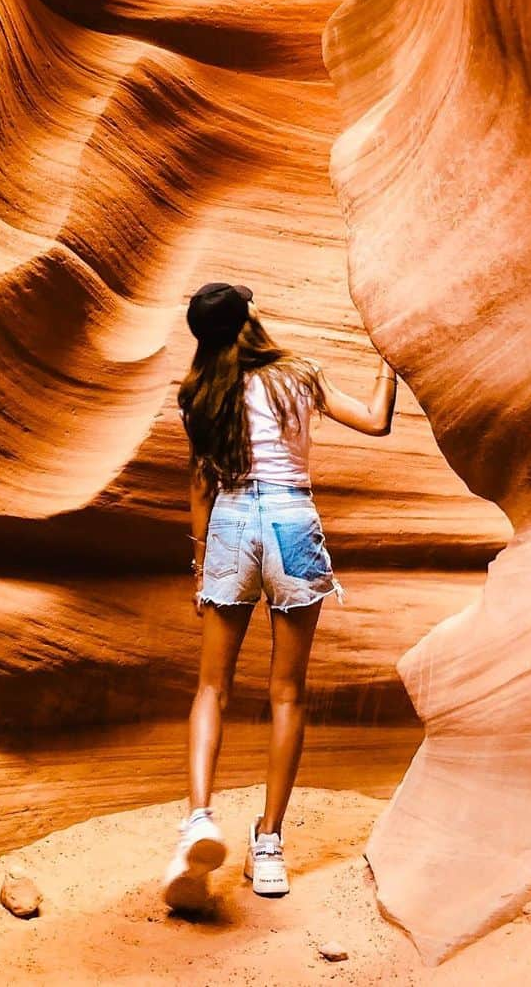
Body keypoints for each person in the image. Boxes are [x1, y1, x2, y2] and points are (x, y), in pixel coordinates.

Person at [162, 281, 397, 910]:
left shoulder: (200, 395)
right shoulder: (300, 375)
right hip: (292, 523)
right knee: (287, 692)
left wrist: (200, 566)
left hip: (233, 525)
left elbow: (201, 490)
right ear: (250, 317)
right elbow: (375, 421)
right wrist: (389, 357)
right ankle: (268, 843)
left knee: (213, 687)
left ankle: (200, 818)